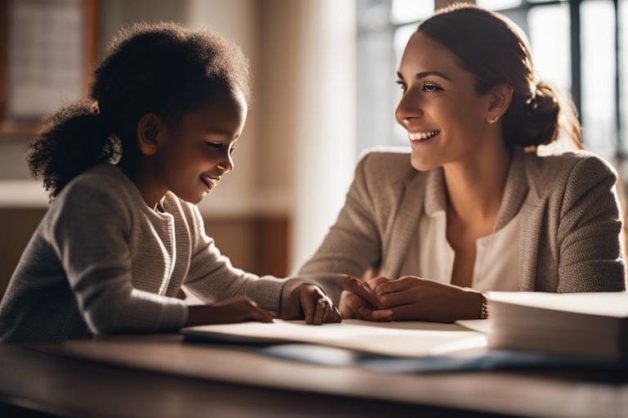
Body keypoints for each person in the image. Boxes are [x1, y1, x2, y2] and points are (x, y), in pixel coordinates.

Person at [0, 23, 343, 343]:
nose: (228, 163)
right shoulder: (93, 197)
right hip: (24, 376)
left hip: (88, 372)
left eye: (232, 147)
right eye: (214, 144)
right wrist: (210, 315)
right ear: (151, 133)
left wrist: (291, 292)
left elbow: (225, 284)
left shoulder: (181, 217)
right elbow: (109, 310)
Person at [298, 4, 626, 323]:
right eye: (403, 85)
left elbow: (598, 322)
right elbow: (306, 290)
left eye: (430, 87)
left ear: (495, 101)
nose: (402, 111)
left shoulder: (577, 185)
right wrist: (339, 302)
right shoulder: (379, 178)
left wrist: (478, 306)